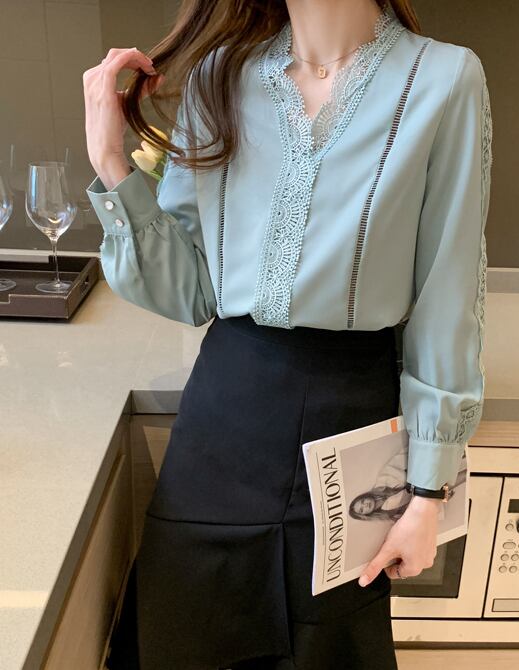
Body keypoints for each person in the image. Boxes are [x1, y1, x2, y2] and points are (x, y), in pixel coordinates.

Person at [83, 0, 492, 668]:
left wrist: (428, 493)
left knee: (325, 648)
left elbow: (447, 295)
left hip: (351, 415)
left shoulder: (445, 79)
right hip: (222, 418)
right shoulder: (220, 76)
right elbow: (189, 292)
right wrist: (110, 164)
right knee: (184, 637)